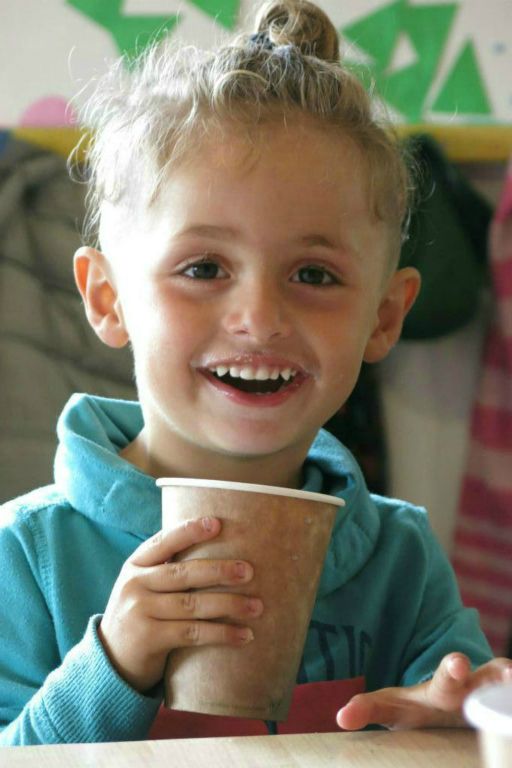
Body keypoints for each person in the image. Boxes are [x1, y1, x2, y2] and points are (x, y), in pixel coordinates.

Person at [0, 0, 510, 746]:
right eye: (204, 268)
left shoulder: (400, 558)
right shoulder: (29, 553)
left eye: (314, 273)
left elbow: (470, 720)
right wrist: (114, 666)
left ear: (384, 317)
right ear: (108, 299)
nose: (260, 316)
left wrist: (468, 713)